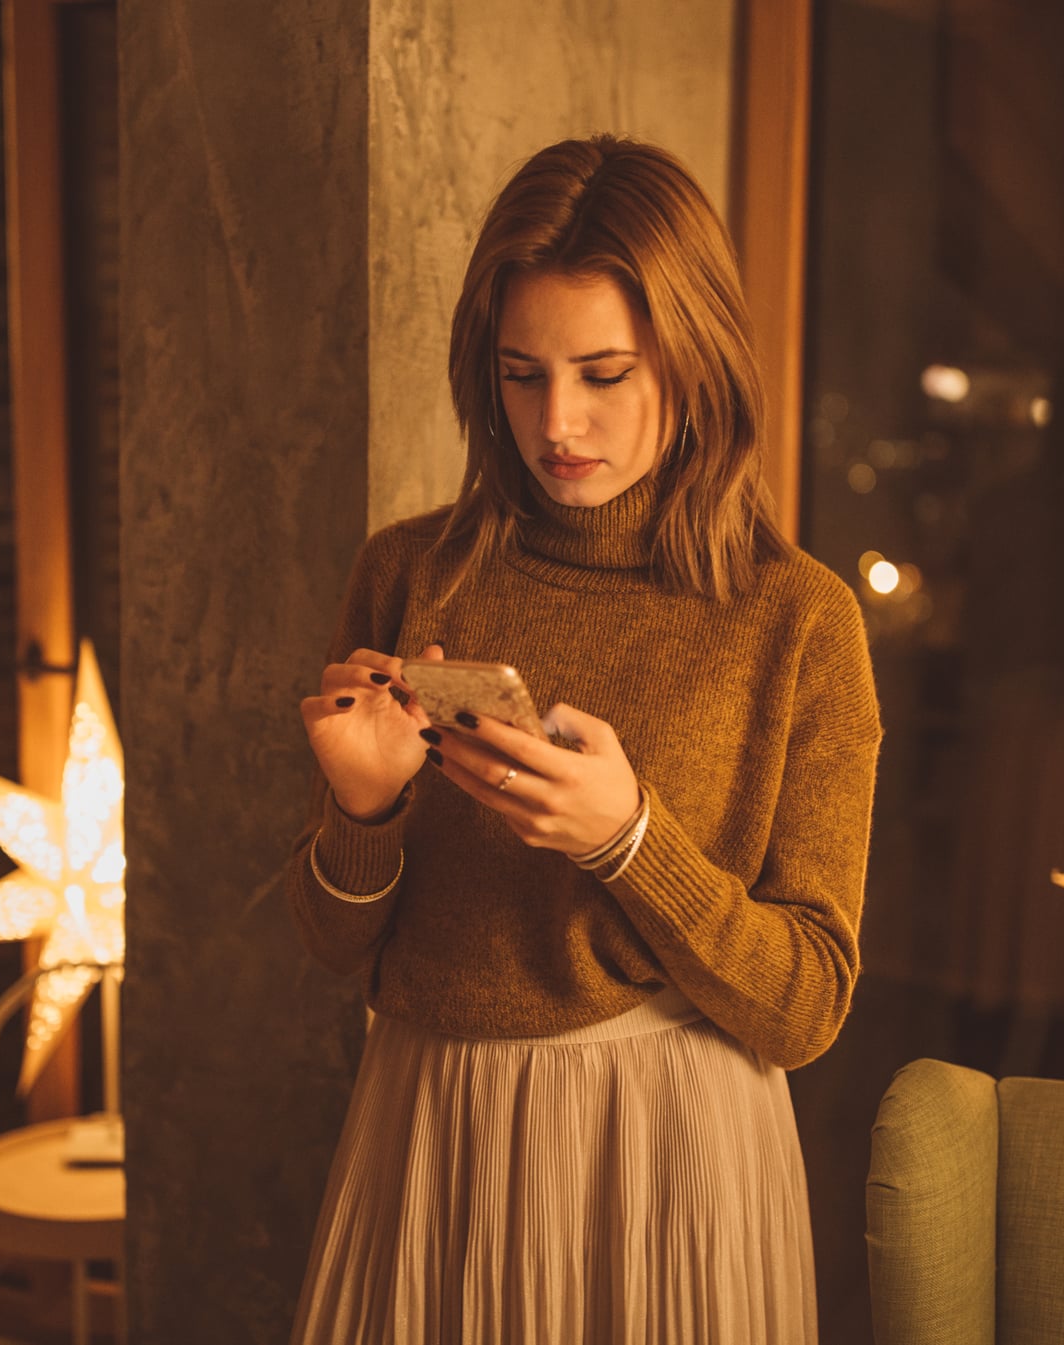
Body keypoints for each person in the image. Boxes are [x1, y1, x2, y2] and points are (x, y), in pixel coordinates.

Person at [282, 135, 882, 1345]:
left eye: (605, 373)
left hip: (663, 1142)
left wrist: (626, 841)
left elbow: (807, 1005)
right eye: (520, 375)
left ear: (696, 359)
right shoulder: (407, 570)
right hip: (428, 1118)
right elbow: (338, 946)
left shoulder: (794, 618)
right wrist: (361, 814)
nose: (558, 423)